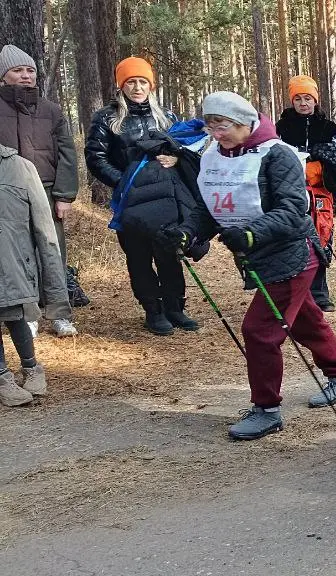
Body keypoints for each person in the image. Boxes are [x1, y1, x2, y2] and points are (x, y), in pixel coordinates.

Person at [156, 91, 336, 441]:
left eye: (224, 125)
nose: (217, 132)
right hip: (258, 257)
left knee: (260, 331)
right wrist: (188, 233)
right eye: (211, 124)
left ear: (246, 123)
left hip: (293, 255)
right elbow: (209, 209)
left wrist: (251, 235)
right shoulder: (214, 155)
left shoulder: (277, 154)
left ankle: (267, 409)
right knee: (304, 318)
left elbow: (294, 209)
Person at [85, 56, 200, 335]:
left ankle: (175, 307)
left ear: (151, 85)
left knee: (169, 252)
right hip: (129, 199)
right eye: (131, 82)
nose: (137, 87)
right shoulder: (107, 118)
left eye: (142, 82)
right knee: (138, 255)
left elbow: (185, 150)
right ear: (121, 85)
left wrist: (176, 160)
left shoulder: (167, 117)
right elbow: (95, 157)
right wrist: (124, 182)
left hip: (165, 199)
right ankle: (153, 309)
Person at [0, 44, 80, 337]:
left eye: (29, 70)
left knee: (52, 250)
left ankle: (60, 314)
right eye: (17, 71)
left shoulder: (52, 110)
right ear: (3, 76)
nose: (25, 76)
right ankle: (29, 315)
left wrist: (64, 195)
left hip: (46, 191)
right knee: (19, 255)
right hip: (7, 194)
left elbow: (68, 155)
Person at [276, 74, 336, 312]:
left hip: (322, 193)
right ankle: (292, 291)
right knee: (290, 236)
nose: (303, 103)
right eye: (298, 98)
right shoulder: (281, 128)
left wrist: (316, 159)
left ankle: (319, 292)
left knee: (321, 235)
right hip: (291, 191)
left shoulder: (328, 128)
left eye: (307, 98)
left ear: (315, 100)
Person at [0, 144, 67, 407]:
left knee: (15, 315)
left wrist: (56, 296)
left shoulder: (20, 167)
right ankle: (2, 376)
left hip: (13, 262)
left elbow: (45, 231)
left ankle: (31, 367)